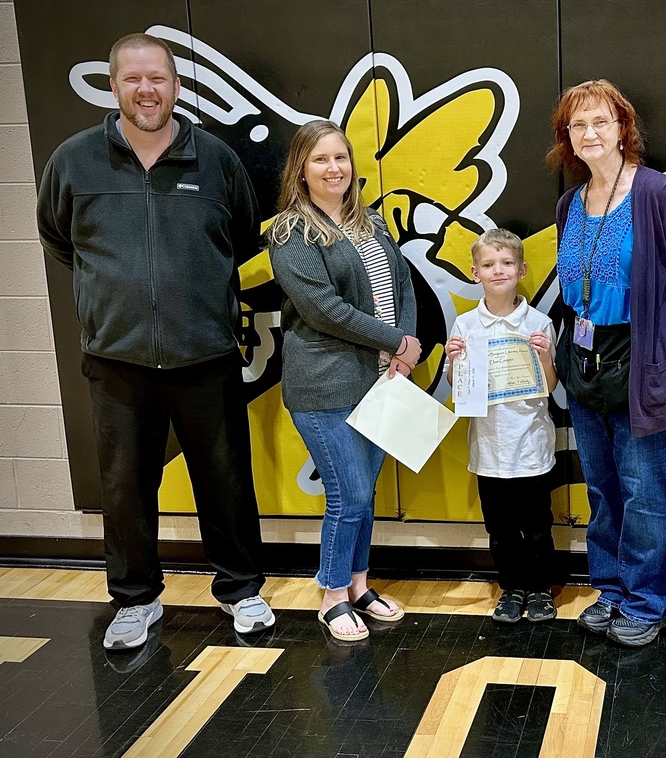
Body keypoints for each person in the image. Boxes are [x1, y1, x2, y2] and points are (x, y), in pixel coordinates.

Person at [36, 33, 275, 650]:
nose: (147, 90)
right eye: (134, 79)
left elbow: (243, 239)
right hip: (117, 360)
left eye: (159, 78)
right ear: (113, 86)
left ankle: (241, 590)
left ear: (175, 85)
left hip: (207, 355)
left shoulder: (216, 160)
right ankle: (135, 600)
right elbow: (59, 240)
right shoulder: (74, 160)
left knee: (224, 479)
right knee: (125, 485)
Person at [547, 80, 666, 646]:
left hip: (649, 368)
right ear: (567, 137)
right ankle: (612, 589)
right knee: (601, 488)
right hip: (587, 367)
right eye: (578, 125)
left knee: (644, 491)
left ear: (623, 128)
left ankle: (648, 602)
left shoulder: (659, 195)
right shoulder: (569, 202)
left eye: (600, 122)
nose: (589, 134)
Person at [268, 119, 419, 642]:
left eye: (341, 158)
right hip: (324, 385)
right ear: (301, 170)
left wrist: (407, 345)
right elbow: (322, 309)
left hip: (379, 380)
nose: (334, 169)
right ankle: (331, 595)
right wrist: (394, 341)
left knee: (365, 492)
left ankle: (358, 585)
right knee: (347, 493)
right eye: (320, 160)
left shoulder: (370, 222)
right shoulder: (291, 232)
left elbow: (402, 285)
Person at [443, 229, 559, 624]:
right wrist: (453, 360)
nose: (499, 271)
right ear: (475, 273)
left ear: (521, 269)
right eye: (489, 265)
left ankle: (541, 589)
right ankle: (511, 588)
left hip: (531, 446)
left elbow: (552, 386)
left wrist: (544, 358)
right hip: (488, 449)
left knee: (538, 525)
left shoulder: (539, 323)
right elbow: (456, 389)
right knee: (501, 529)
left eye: (507, 263)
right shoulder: (464, 325)